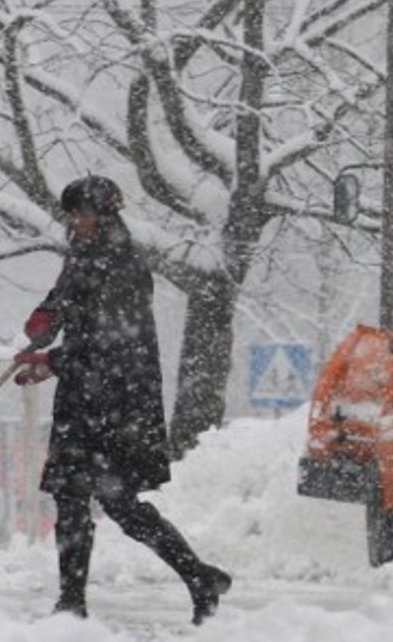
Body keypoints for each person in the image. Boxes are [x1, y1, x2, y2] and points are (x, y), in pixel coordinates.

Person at [13, 175, 231, 625]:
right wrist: (43, 322)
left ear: (104, 213)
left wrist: (51, 363)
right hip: (84, 400)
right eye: (71, 214)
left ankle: (194, 579)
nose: (75, 221)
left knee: (119, 505)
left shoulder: (125, 264)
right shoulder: (83, 256)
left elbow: (111, 344)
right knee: (74, 499)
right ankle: (74, 603)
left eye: (82, 213)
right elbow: (65, 304)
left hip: (117, 403)